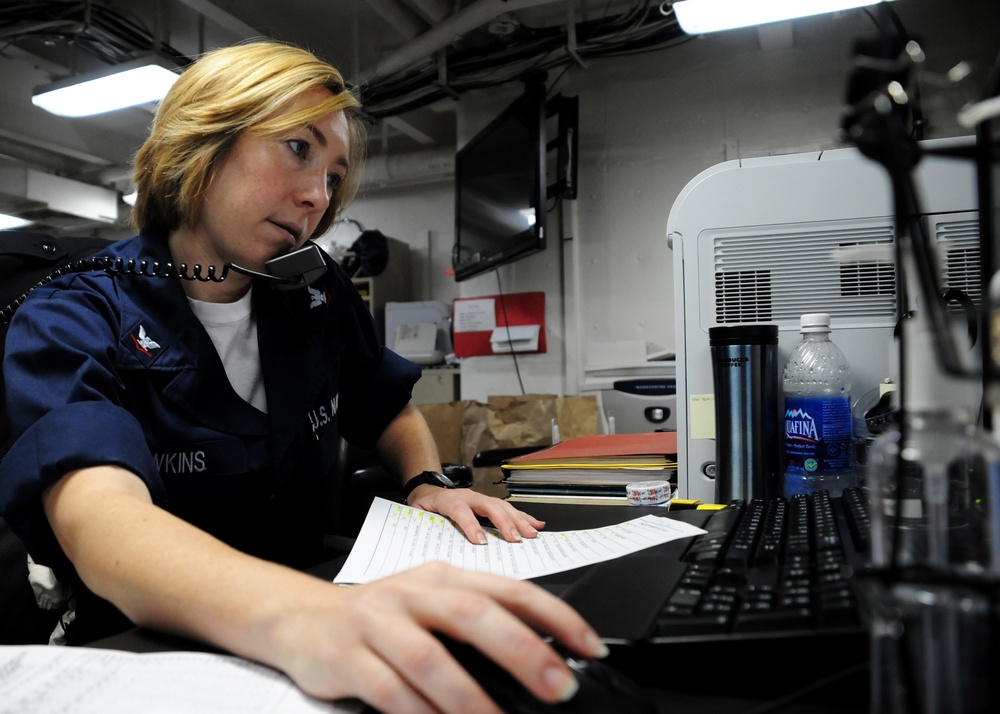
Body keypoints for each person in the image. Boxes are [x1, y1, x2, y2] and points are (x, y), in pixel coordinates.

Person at [0, 41, 606, 712]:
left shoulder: (314, 289)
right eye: (298, 148)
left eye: (335, 173)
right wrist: (304, 616)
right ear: (200, 142)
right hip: (150, 656)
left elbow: (385, 403)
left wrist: (426, 482)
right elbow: (101, 521)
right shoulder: (73, 312)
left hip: (324, 615)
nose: (318, 196)